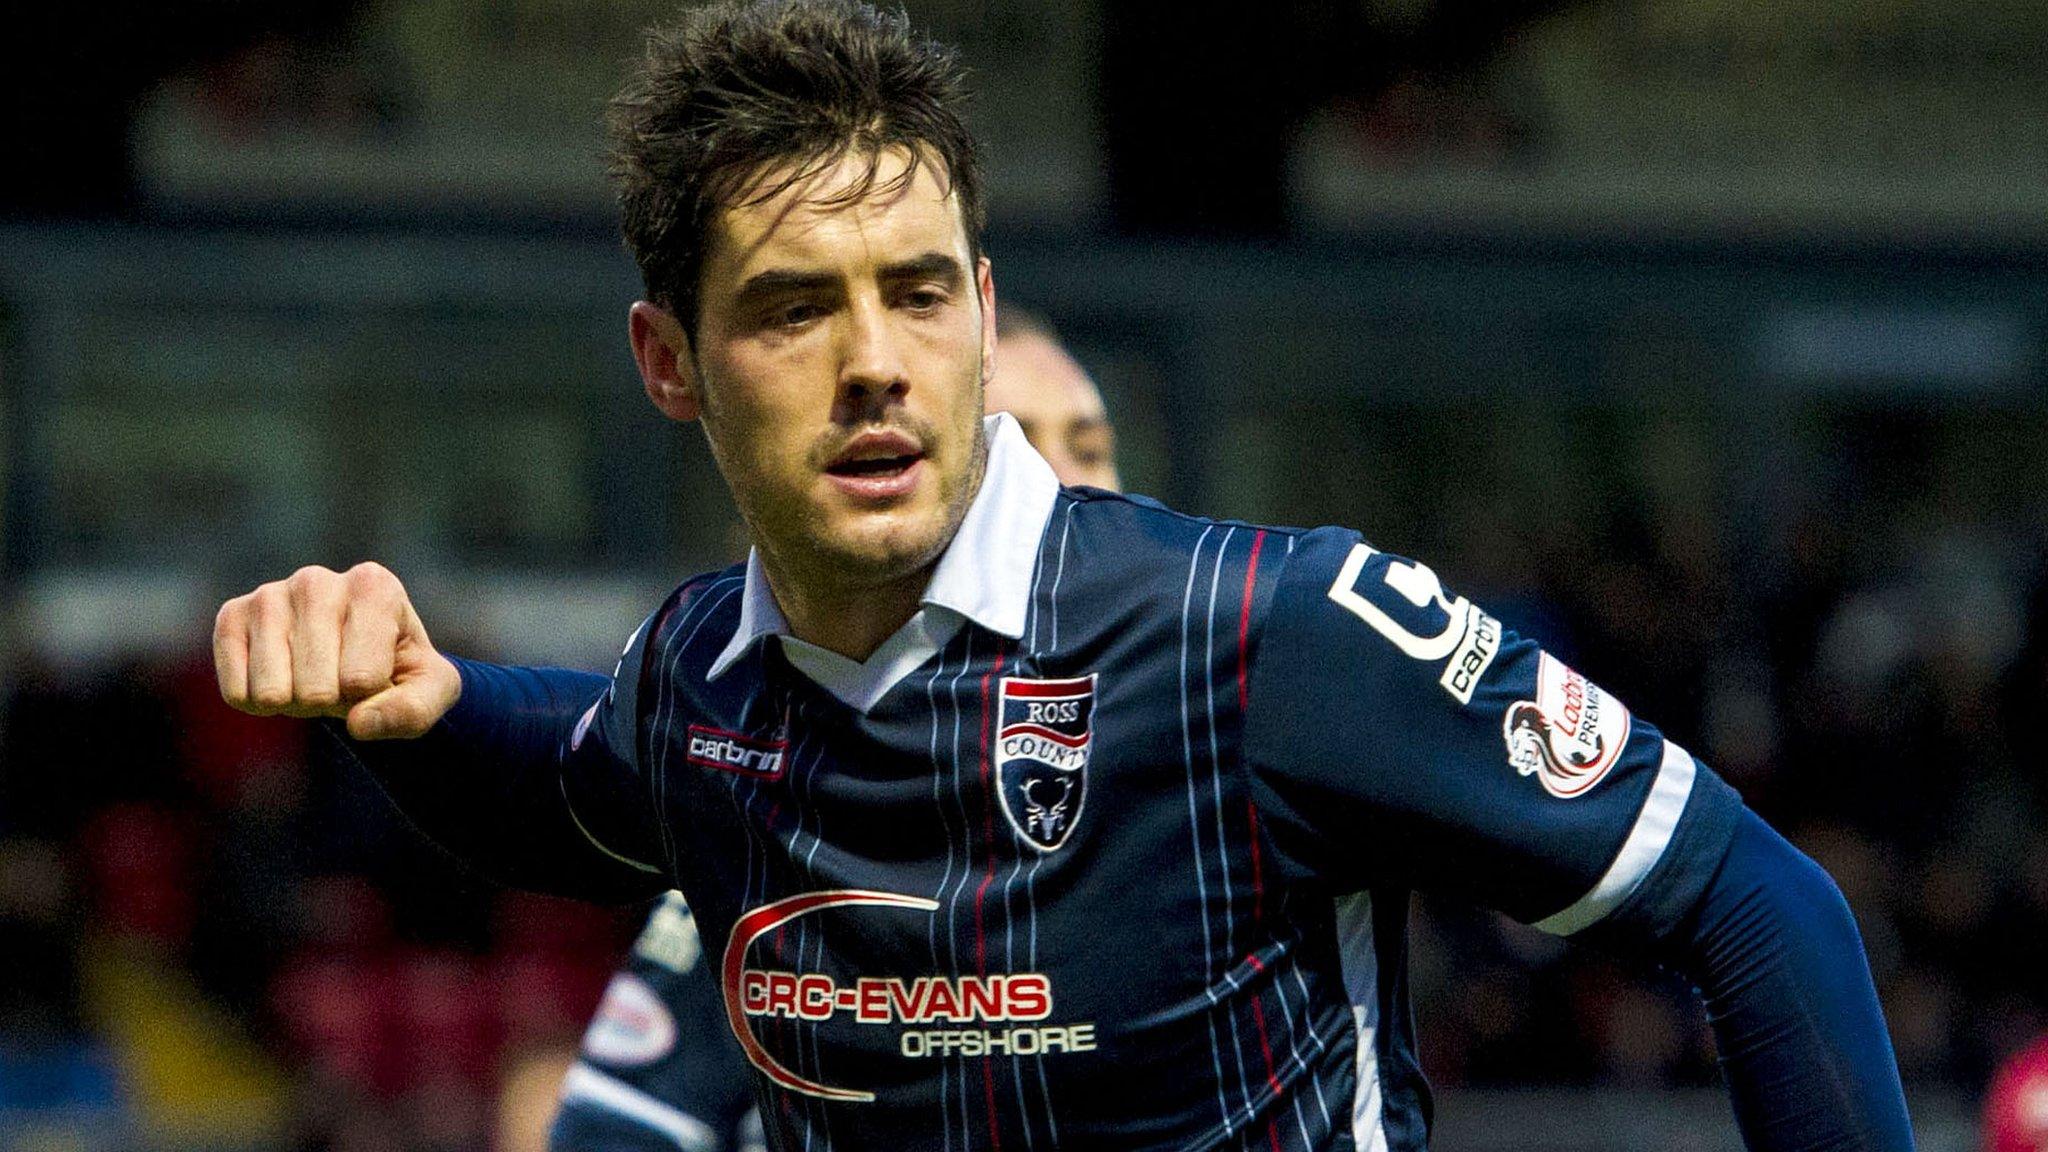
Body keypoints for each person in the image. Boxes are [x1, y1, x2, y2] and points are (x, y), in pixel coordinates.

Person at [210, 2, 1915, 1147]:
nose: (875, 360)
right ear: (668, 361)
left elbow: (1753, 902)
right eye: (798, 306)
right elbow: (578, 787)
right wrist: (413, 709)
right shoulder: (696, 681)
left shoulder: (1267, 631)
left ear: (979, 299)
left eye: (921, 290)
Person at [548, 308, 1127, 1151]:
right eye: (1022, 443)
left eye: (1091, 444)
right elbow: (614, 1132)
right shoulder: (778, 813)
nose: (1068, 479)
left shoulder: (1196, 744)